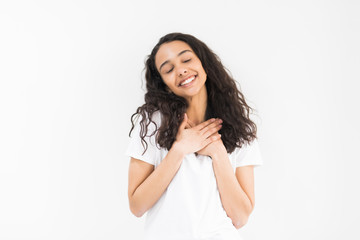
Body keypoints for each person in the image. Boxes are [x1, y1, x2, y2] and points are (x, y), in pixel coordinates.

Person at [125, 32, 263, 240]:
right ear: (165, 85)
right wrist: (179, 150)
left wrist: (218, 152)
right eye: (168, 69)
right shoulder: (152, 123)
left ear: (204, 63)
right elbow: (137, 206)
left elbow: (241, 217)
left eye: (187, 59)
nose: (181, 70)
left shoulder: (239, 125)